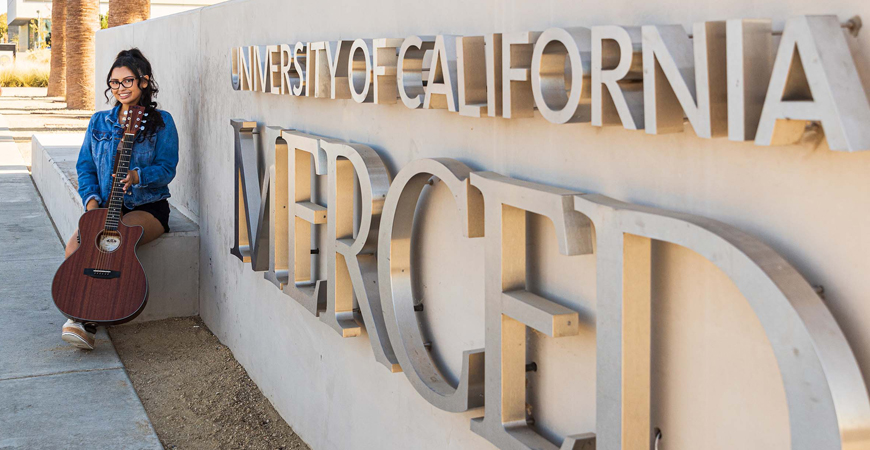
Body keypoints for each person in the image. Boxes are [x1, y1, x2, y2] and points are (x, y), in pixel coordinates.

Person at [61, 48, 179, 349]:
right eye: (114, 82)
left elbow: (167, 168)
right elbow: (85, 166)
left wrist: (138, 176)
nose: (121, 88)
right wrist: (91, 205)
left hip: (146, 206)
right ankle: (81, 312)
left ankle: (88, 319)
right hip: (104, 204)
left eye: (128, 81)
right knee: (76, 244)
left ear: (144, 82)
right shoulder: (99, 121)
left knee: (118, 239)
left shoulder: (161, 122)